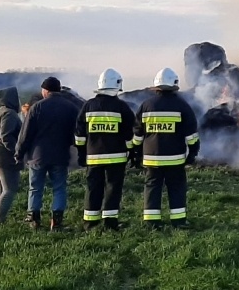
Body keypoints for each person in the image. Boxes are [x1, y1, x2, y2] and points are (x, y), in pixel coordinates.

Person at [132, 67, 200, 228]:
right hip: (175, 158)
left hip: (151, 157)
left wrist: (135, 152)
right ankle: (178, 221)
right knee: (176, 187)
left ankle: (151, 221)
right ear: (174, 86)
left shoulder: (146, 105)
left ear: (156, 87)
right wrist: (192, 153)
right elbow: (191, 134)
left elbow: (137, 133)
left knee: (152, 187)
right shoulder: (182, 106)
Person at [75, 69, 136, 230]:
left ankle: (90, 222)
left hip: (93, 157)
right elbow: (130, 133)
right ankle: (110, 223)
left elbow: (80, 134)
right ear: (117, 86)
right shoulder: (122, 107)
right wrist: (132, 151)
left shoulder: (88, 106)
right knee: (112, 189)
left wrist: (82, 153)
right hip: (116, 158)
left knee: (93, 188)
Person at [15, 76, 75, 230]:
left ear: (45, 91)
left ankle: (34, 219)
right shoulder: (70, 107)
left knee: (35, 187)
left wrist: (19, 153)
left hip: (37, 156)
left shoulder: (36, 107)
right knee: (59, 188)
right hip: (60, 155)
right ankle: (57, 222)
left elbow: (26, 133)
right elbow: (77, 133)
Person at [0, 86, 23, 224]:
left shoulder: (0, 112)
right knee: (9, 190)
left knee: (1, 189)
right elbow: (6, 136)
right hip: (3, 155)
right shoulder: (9, 114)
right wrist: (16, 153)